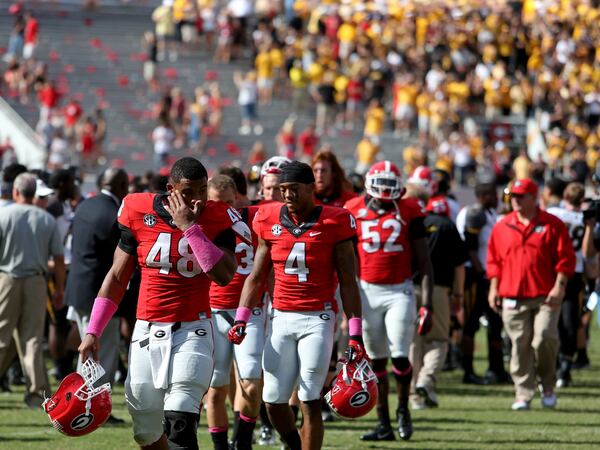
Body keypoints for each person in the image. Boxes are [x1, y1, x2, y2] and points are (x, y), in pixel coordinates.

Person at [78, 157, 250, 450]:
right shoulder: (137, 209)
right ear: (171, 188)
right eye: (187, 192)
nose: (196, 199)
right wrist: (93, 330)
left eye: (201, 190)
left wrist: (190, 228)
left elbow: (224, 275)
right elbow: (118, 278)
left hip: (193, 329)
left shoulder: (218, 215)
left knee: (180, 420)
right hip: (146, 328)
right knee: (145, 429)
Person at [230, 161, 364, 450]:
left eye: (293, 189)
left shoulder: (335, 220)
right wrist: (241, 317)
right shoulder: (268, 218)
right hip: (280, 316)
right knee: (273, 400)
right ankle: (293, 445)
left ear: (310, 188)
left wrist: (355, 333)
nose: (287, 195)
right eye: (283, 189)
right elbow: (256, 275)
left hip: (318, 318)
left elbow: (349, 281)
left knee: (309, 397)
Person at [345, 161, 433, 442]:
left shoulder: (409, 209)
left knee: (399, 354)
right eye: (380, 183)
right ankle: (383, 422)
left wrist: (427, 304)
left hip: (399, 290)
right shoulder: (353, 208)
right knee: (376, 360)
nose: (384, 189)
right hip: (367, 290)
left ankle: (403, 409)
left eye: (389, 183)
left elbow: (425, 262)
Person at [487, 178, 576, 410]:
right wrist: (494, 287)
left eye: (520, 195)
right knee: (519, 344)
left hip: (546, 295)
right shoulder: (502, 225)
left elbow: (565, 258)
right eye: (512, 196)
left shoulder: (552, 224)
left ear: (533, 197)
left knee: (545, 338)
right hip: (513, 294)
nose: (514, 200)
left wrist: (560, 285)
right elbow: (494, 261)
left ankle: (547, 386)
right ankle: (523, 393)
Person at [206, 175, 264, 450]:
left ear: (239, 198)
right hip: (214, 310)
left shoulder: (253, 217)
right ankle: (220, 447)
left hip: (248, 310)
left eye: (229, 202)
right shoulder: (199, 223)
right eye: (218, 203)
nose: (224, 209)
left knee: (251, 381)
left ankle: (242, 440)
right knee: (216, 387)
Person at [65, 169, 129, 410]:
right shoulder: (114, 214)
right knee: (104, 353)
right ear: (122, 185)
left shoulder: (86, 205)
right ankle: (95, 406)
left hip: (79, 287)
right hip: (101, 294)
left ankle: (80, 403)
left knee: (86, 351)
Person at [0, 173, 65, 408]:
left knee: (1, 336)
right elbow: (58, 258)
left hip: (6, 279)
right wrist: (59, 289)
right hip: (36, 281)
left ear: (16, 192)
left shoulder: (3, 215)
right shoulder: (46, 219)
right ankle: (37, 394)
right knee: (32, 340)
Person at [411, 195, 467, 409]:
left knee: (413, 343)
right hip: (438, 289)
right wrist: (458, 295)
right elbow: (459, 265)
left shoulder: (414, 224)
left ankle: (414, 394)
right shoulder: (448, 226)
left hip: (410, 288)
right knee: (438, 340)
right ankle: (426, 379)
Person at [455, 183, 510, 385]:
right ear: (484, 195)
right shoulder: (475, 213)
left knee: (495, 324)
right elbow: (470, 249)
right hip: (475, 277)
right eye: (493, 195)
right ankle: (468, 370)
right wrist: (482, 274)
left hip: (487, 276)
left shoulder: (488, 213)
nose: (497, 198)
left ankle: (496, 368)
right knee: (470, 324)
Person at [546, 182, 587, 388]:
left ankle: (552, 366)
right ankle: (564, 368)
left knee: (552, 320)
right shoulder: (585, 219)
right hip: (576, 273)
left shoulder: (553, 213)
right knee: (571, 323)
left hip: (554, 273)